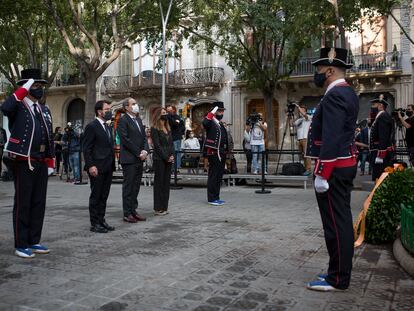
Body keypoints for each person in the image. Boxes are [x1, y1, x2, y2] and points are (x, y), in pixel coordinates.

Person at [305, 48, 359, 291]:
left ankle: (338, 279)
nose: (316, 74)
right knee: (340, 221)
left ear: (329, 69)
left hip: (335, 168)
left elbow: (332, 137)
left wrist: (322, 173)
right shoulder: (344, 92)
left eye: (318, 70)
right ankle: (337, 272)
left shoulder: (336, 94)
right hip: (341, 165)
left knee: (336, 224)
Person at [0, 69, 55, 258]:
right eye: (36, 85)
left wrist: (51, 160)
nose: (40, 89)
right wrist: (23, 89)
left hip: (40, 160)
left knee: (39, 202)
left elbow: (48, 136)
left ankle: (34, 240)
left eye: (41, 86)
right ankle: (21, 243)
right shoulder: (18, 105)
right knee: (23, 202)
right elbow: (5, 108)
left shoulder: (43, 108)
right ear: (27, 86)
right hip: (23, 161)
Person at [82, 100, 115, 233]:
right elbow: (87, 148)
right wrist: (91, 166)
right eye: (107, 109)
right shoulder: (92, 126)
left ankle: (101, 220)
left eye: (109, 109)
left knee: (104, 195)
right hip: (97, 167)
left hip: (108, 166)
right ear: (99, 111)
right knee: (96, 195)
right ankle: (94, 223)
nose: (109, 111)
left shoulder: (107, 126)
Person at [117, 98, 148, 223]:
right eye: (133, 104)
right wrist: (138, 152)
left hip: (139, 158)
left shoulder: (138, 120)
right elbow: (125, 139)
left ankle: (133, 210)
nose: (136, 105)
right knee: (128, 187)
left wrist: (145, 151)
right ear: (126, 107)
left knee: (136, 186)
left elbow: (144, 137)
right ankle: (127, 213)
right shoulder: (123, 120)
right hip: (129, 159)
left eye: (136, 103)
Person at [202, 101, 229, 206]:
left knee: (218, 176)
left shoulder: (219, 123)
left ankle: (216, 197)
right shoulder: (210, 121)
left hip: (221, 151)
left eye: (222, 111)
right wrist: (212, 111)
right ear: (215, 111)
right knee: (213, 175)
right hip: (213, 152)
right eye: (220, 111)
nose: (222, 113)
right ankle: (211, 198)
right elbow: (205, 123)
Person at [151, 107, 175, 216]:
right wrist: (166, 157)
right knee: (159, 184)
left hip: (168, 159)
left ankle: (164, 207)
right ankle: (157, 208)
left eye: (166, 112)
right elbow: (157, 145)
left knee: (166, 184)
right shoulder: (154, 128)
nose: (166, 114)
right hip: (159, 159)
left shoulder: (168, 128)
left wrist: (172, 155)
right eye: (163, 113)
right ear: (158, 115)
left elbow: (171, 144)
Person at [369, 95, 394, 181]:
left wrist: (381, 152)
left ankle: (379, 191)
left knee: (380, 172)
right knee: (377, 172)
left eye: (373, 105)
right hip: (377, 149)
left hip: (380, 150)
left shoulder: (383, 116)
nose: (372, 107)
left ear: (380, 105)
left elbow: (384, 135)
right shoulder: (379, 115)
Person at [294, 104, 312, 175]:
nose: (301, 112)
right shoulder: (299, 120)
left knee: (307, 155)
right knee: (302, 155)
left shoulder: (308, 118)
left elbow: (304, 115)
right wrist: (288, 115)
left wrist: (298, 107)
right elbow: (292, 124)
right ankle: (305, 168)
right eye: (300, 110)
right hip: (299, 139)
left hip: (305, 139)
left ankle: (308, 169)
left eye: (303, 110)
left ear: (305, 111)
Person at [166, 105, 185, 170]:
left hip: (176, 137)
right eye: (167, 111)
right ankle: (171, 167)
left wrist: (181, 132)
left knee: (176, 152)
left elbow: (176, 124)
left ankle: (176, 167)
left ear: (173, 110)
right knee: (170, 152)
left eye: (170, 111)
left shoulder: (177, 117)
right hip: (168, 137)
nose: (169, 112)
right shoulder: (167, 117)